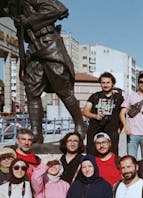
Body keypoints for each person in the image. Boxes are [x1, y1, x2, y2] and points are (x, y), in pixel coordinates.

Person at [0, 0, 87, 143]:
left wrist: (28, 21)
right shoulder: (11, 5)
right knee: (32, 90)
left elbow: (58, 9)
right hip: (33, 49)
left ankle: (80, 124)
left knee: (63, 90)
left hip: (49, 44)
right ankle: (36, 133)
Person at [83, 72, 124, 156]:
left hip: (112, 130)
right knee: (92, 154)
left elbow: (123, 114)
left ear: (113, 84)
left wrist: (120, 129)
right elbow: (85, 111)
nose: (105, 85)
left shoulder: (119, 98)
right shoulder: (95, 96)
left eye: (108, 82)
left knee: (112, 155)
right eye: (103, 82)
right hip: (95, 129)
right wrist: (95, 116)